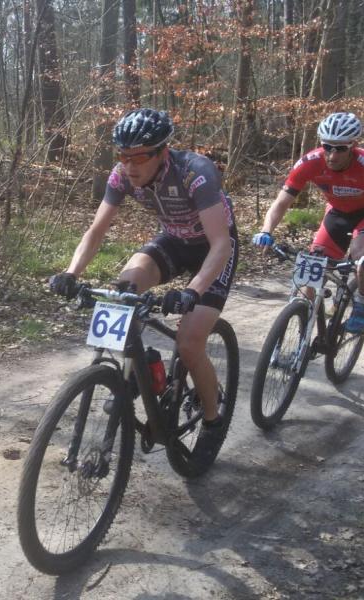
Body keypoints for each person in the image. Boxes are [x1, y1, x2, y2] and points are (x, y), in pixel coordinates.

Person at [50, 108, 238, 455]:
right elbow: (96, 230)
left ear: (162, 152)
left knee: (189, 343)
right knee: (122, 294)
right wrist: (71, 272)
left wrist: (192, 291)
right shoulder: (121, 175)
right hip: (174, 241)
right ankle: (139, 371)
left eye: (138, 157)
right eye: (123, 156)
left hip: (213, 249)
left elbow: (221, 245)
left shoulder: (195, 173)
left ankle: (213, 421)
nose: (129, 166)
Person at [252, 112, 364, 334]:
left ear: (353, 145)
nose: (332, 155)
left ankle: (361, 306)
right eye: (327, 147)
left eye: (340, 148)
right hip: (337, 214)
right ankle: (302, 328)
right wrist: (266, 230)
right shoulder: (310, 162)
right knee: (313, 267)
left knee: (360, 255)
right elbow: (281, 202)